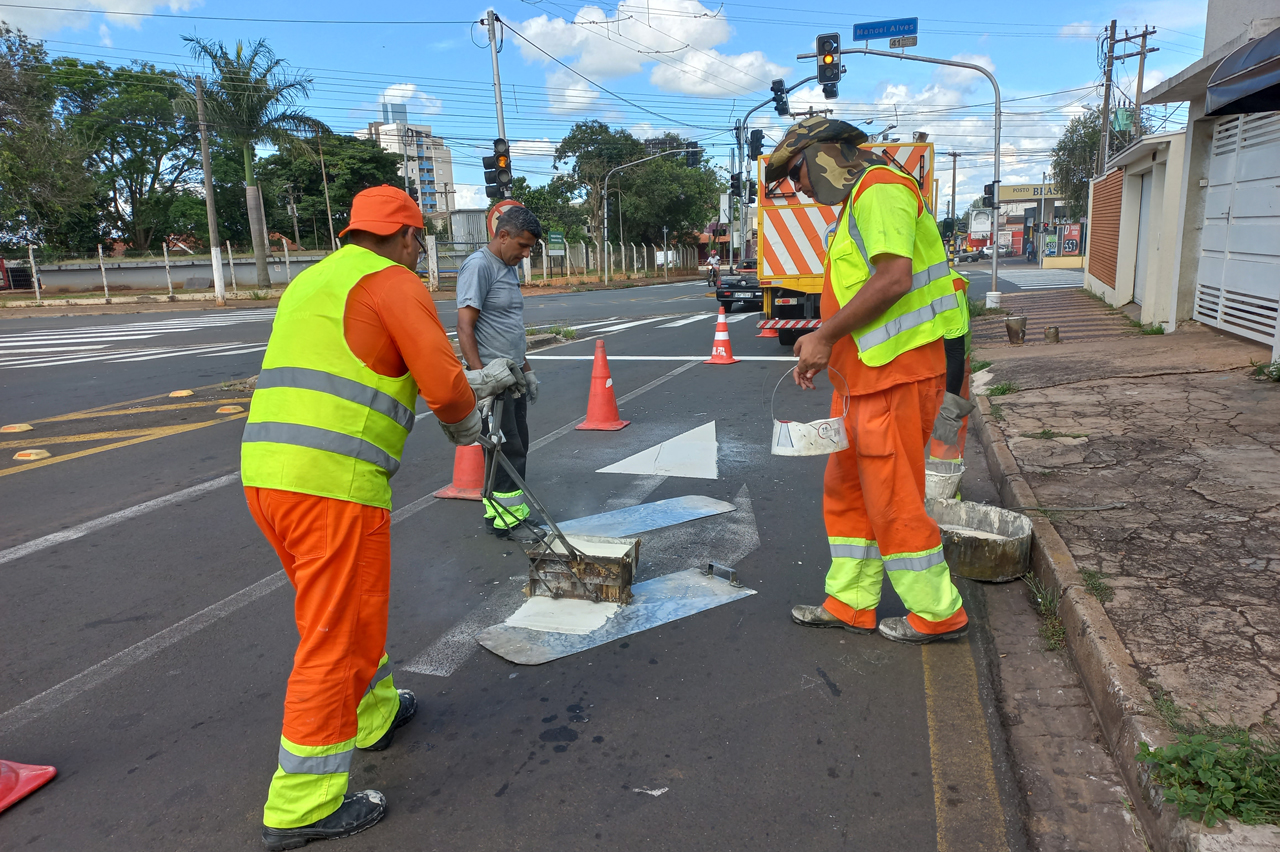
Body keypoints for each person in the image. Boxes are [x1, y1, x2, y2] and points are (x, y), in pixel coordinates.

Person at [241, 185, 525, 850]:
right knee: (332, 635)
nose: (417, 255)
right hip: (333, 485)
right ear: (403, 238)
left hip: (268, 477)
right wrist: (474, 416)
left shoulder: (312, 282)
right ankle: (301, 804)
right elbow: (445, 389)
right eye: (417, 243)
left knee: (349, 612)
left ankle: (372, 715)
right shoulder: (392, 282)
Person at [765, 117, 970, 645]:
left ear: (822, 154)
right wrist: (827, 347)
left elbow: (894, 279)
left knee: (893, 498)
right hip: (865, 381)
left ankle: (937, 611)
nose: (801, 188)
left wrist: (823, 335)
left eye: (798, 174)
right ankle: (852, 602)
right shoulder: (863, 198)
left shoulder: (880, 191)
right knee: (850, 492)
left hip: (896, 379)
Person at [456, 205, 543, 542]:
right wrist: (482, 380)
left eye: (530, 248)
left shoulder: (507, 268)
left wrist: (527, 369)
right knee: (506, 450)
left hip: (512, 375)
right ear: (502, 235)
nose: (525, 254)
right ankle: (507, 521)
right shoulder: (479, 266)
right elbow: (465, 327)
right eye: (522, 245)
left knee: (513, 446)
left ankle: (503, 514)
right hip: (495, 380)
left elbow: (510, 328)